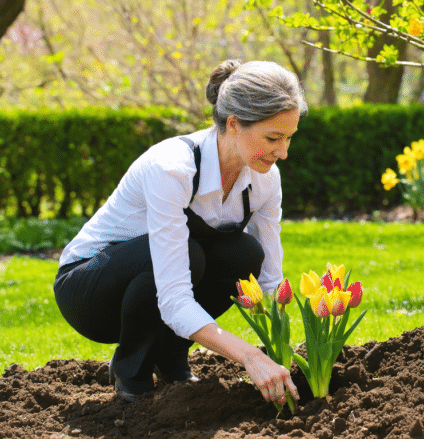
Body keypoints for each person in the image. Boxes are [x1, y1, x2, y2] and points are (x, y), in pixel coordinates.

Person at [53, 59, 306, 404]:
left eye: (289, 137)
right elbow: (173, 297)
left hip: (158, 282)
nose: (284, 152)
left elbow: (269, 281)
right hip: (89, 291)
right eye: (273, 138)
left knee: (245, 254)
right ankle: (132, 373)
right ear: (234, 124)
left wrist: (288, 348)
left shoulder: (264, 179)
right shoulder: (172, 168)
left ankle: (169, 358)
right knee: (190, 256)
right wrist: (250, 356)